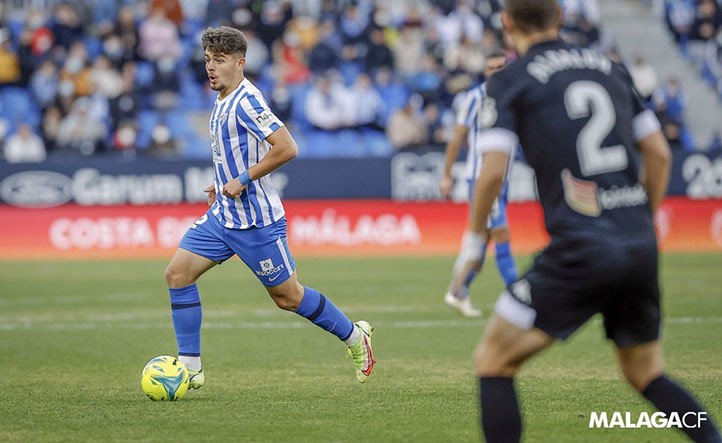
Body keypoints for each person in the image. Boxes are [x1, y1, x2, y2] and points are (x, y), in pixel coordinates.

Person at [457, 1, 722, 442]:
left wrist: (471, 243)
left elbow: (491, 172)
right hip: (637, 242)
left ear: (506, 24)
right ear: (560, 17)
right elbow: (658, 155)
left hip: (580, 248)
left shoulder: (510, 79)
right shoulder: (609, 67)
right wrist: (640, 218)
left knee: (493, 361)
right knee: (647, 372)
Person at [164, 26, 375, 389]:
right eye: (208, 60)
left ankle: (355, 337)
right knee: (177, 275)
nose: (211, 68)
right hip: (223, 217)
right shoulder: (221, 98)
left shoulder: (247, 101)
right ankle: (190, 366)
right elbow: (237, 150)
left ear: (240, 63)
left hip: (257, 223)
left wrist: (242, 179)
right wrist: (222, 182)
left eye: (220, 61)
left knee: (288, 297)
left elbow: (287, 147)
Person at [439, 49, 517, 317]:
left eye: (500, 67)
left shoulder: (515, 95)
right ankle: (518, 295)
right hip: (482, 177)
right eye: (491, 68)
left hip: (503, 179)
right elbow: (457, 137)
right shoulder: (476, 98)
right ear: (484, 72)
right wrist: (447, 174)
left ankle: (457, 290)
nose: (495, 72)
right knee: (502, 233)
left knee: (481, 242)